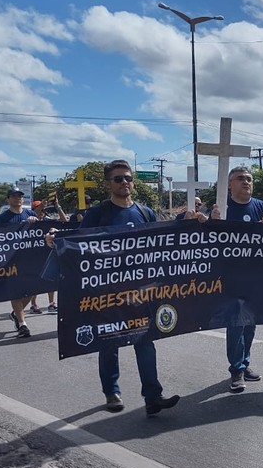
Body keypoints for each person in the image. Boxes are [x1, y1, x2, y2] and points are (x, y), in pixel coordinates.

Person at [50, 160, 179, 416]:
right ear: (108, 183)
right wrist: (57, 238)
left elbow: (161, 245)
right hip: (108, 293)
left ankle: (153, 396)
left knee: (146, 342)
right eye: (118, 179)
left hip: (141, 292)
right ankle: (112, 391)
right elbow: (79, 247)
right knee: (109, 342)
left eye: (128, 178)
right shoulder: (98, 213)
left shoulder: (145, 212)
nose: (125, 183)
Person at [222, 166, 263, 392]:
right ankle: (236, 370)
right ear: (229, 184)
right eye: (241, 179)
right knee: (236, 322)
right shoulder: (221, 206)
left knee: (250, 324)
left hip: (256, 276)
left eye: (249, 179)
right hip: (231, 276)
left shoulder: (261, 206)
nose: (246, 182)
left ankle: (245, 363)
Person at [0, 188, 39, 337]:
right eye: (14, 196)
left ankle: (16, 314)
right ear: (8, 199)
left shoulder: (30, 214)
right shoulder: (2, 218)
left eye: (20, 196)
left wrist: (35, 223)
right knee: (16, 292)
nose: (17, 199)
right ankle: (22, 325)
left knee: (32, 290)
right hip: (12, 260)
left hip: (30, 259)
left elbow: (39, 234)